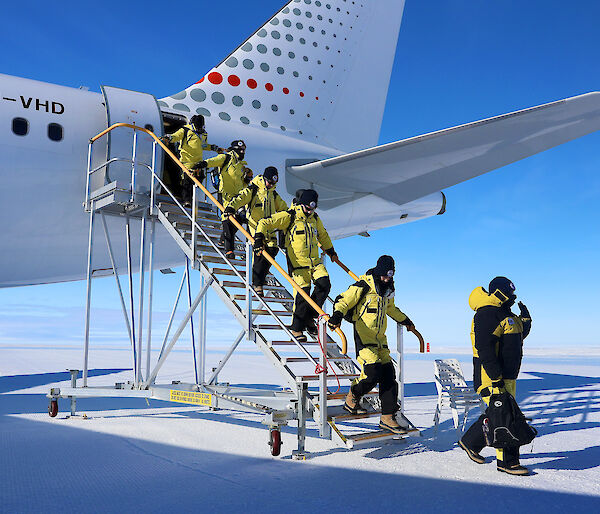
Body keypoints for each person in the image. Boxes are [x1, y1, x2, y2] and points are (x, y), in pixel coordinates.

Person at [327, 255, 416, 434]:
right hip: (364, 337)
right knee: (372, 373)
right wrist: (336, 316)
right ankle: (353, 395)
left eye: (390, 276)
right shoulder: (364, 285)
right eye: (384, 275)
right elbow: (343, 300)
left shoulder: (388, 290)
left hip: (380, 341)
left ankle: (387, 417)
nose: (386, 279)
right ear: (378, 271)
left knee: (389, 376)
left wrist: (405, 320)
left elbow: (390, 309)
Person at [459, 276, 532, 476]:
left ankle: (470, 442)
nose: (513, 296)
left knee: (497, 414)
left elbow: (515, 339)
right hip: (490, 376)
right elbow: (485, 349)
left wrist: (525, 320)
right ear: (499, 292)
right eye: (509, 292)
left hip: (508, 376)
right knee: (505, 417)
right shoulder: (487, 314)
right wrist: (495, 377)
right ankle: (507, 462)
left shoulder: (505, 313)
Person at [254, 189, 336, 341]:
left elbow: (323, 234)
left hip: (315, 263)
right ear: (302, 204)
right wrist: (259, 238)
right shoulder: (290, 216)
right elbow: (265, 222)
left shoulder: (314, 218)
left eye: (313, 209)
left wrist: (331, 250)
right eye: (308, 208)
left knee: (324, 284)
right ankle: (296, 329)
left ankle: (310, 317)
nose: (310, 211)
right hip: (298, 265)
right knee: (303, 294)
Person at [224, 166, 288, 295]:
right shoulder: (253, 189)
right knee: (259, 252)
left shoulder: (272, 194)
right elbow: (240, 198)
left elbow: (283, 208)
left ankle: (260, 276)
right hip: (255, 227)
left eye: (274, 183)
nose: (271, 185)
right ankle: (258, 284)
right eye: (269, 182)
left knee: (273, 250)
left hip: (269, 228)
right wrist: (231, 207)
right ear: (264, 179)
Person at [195, 140, 252, 259]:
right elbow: (214, 161)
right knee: (227, 219)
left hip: (238, 197)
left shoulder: (241, 165)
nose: (243, 152)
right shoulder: (226, 158)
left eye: (244, 151)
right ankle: (229, 250)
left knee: (240, 219)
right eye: (241, 150)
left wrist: (246, 181)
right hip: (225, 195)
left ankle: (222, 240)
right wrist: (203, 164)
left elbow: (241, 183)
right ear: (235, 149)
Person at [160, 114, 222, 206]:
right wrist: (169, 138)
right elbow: (176, 136)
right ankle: (187, 200)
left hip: (197, 162)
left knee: (199, 179)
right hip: (187, 160)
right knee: (187, 180)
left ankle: (190, 197)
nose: (199, 129)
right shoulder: (185, 130)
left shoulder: (203, 134)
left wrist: (213, 147)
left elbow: (203, 145)